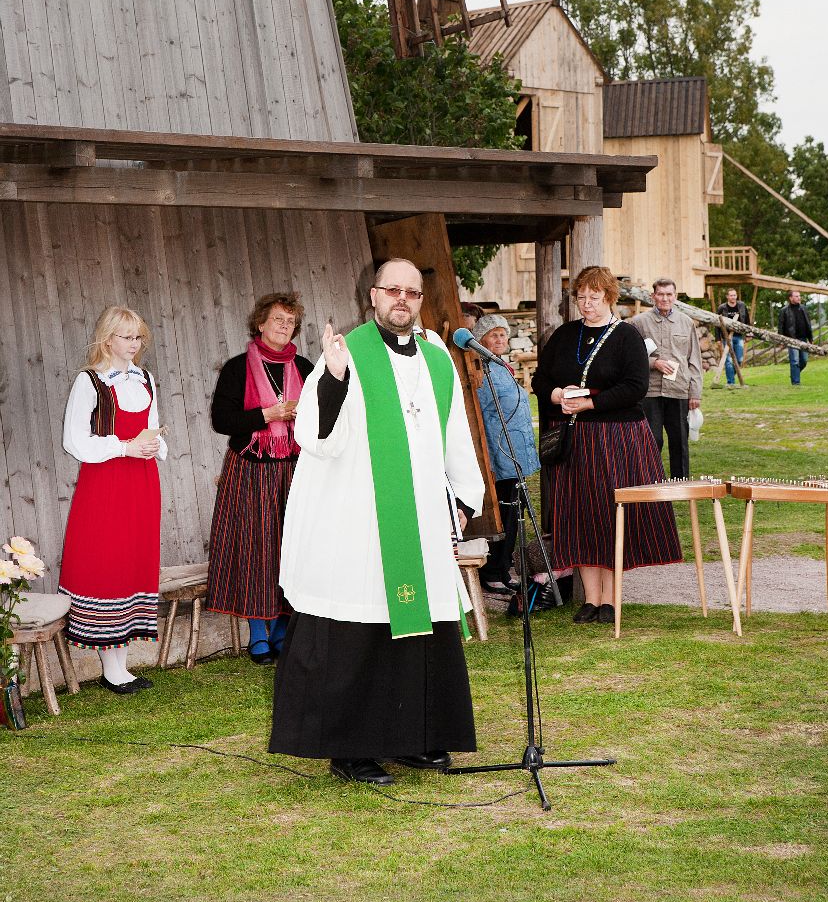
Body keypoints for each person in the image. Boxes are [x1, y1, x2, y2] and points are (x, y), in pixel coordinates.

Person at [269, 258, 484, 787]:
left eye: (412, 292)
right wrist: (335, 376)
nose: (403, 300)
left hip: (422, 516)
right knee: (360, 628)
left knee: (421, 631)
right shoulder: (348, 353)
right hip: (360, 518)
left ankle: (415, 738)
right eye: (393, 290)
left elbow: (454, 431)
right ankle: (352, 749)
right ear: (373, 295)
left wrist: (464, 493)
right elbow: (314, 436)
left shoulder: (438, 358)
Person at [532, 266, 681, 624]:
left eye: (594, 298)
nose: (586, 305)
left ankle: (612, 600)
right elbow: (540, 379)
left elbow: (635, 386)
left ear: (609, 297)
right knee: (579, 514)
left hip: (617, 438)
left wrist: (590, 403)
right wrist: (557, 394)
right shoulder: (565, 335)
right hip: (574, 440)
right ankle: (590, 599)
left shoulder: (627, 336)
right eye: (581, 297)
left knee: (610, 514)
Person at [59, 307, 166, 694]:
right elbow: (74, 440)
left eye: (138, 337)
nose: (133, 344)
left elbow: (152, 424)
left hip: (142, 481)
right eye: (125, 337)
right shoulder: (90, 382)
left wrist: (154, 445)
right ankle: (112, 669)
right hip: (105, 481)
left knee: (132, 559)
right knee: (107, 560)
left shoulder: (146, 378)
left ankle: (122, 665)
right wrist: (123, 447)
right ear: (107, 339)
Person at [207, 293, 313, 663]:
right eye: (279, 320)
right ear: (260, 324)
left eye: (291, 322)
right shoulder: (238, 368)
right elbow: (222, 421)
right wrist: (266, 415)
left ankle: (283, 629)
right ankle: (257, 633)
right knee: (255, 547)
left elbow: (324, 416)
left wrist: (304, 416)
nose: (285, 327)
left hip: (296, 468)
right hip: (251, 467)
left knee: (293, 545)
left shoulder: (304, 366)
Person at [472, 314, 538, 594]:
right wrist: (493, 461)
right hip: (501, 455)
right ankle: (492, 571)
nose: (500, 340)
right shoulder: (482, 370)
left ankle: (503, 568)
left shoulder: (502, 366)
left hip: (517, 452)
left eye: (503, 334)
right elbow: (483, 419)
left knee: (516, 513)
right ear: (482, 340)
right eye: (493, 335)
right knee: (505, 514)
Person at [631, 278, 703, 478]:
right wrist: (654, 363)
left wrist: (695, 393)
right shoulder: (639, 323)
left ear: (675, 296)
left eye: (668, 294)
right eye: (660, 294)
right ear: (653, 296)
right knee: (652, 439)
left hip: (679, 390)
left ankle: (680, 483)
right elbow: (630, 359)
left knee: (679, 439)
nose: (664, 298)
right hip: (650, 391)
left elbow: (694, 360)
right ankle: (651, 480)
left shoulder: (686, 323)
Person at [777, 290, 814, 386]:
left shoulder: (804, 308)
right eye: (796, 296)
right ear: (790, 298)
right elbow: (780, 327)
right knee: (794, 361)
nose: (799, 298)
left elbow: (808, 324)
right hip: (791, 340)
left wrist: (810, 338)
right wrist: (781, 341)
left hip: (803, 339)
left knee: (804, 361)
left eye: (799, 296)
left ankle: (794, 374)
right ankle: (796, 382)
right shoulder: (784, 311)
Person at [715, 288, 750, 386]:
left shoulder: (742, 306)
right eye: (731, 295)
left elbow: (747, 321)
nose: (733, 297)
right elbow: (717, 324)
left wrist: (748, 334)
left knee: (739, 360)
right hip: (727, 337)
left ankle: (731, 376)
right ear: (727, 297)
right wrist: (718, 339)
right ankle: (730, 382)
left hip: (739, 336)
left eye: (734, 295)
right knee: (729, 361)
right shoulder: (722, 308)